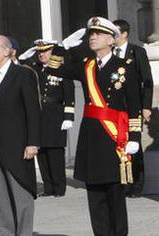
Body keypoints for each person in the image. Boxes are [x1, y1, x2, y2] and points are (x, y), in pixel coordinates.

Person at [48, 17, 141, 235]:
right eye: (91, 34)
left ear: (111, 39)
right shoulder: (86, 67)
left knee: (115, 194)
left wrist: (135, 137)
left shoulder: (124, 68)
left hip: (114, 137)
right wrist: (61, 49)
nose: (92, 37)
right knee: (95, 194)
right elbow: (55, 71)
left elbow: (134, 105)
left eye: (97, 34)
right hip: (91, 136)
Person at [0, 35, 41, 235]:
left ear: (7, 51)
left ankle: (24, 231)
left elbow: (32, 111)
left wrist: (33, 142)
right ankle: (6, 229)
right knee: (0, 190)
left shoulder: (22, 75)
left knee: (20, 190)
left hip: (17, 143)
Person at [23, 40, 75, 197]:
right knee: (42, 152)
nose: (41, 54)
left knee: (55, 152)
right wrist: (28, 54)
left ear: (52, 52)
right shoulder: (36, 70)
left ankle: (59, 187)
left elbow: (69, 93)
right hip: (39, 114)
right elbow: (22, 64)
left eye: (45, 51)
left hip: (56, 113)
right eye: (39, 51)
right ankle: (48, 187)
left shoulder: (61, 70)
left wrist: (68, 116)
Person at [113, 19, 153, 198]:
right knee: (118, 145)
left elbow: (147, 81)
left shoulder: (137, 52)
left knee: (133, 145)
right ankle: (122, 183)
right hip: (115, 109)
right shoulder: (110, 54)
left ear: (124, 34)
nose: (112, 36)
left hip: (133, 107)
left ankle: (136, 183)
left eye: (115, 32)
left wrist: (146, 106)